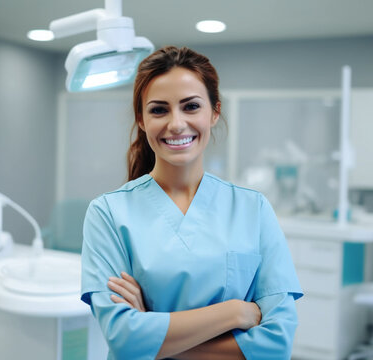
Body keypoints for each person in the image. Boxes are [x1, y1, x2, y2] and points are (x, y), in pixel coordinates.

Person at [81, 46, 303, 360]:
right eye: (159, 110)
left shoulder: (253, 209)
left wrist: (151, 331)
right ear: (142, 120)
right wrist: (234, 313)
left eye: (191, 106)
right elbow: (123, 339)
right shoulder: (108, 214)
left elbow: (276, 345)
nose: (176, 123)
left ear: (214, 112)